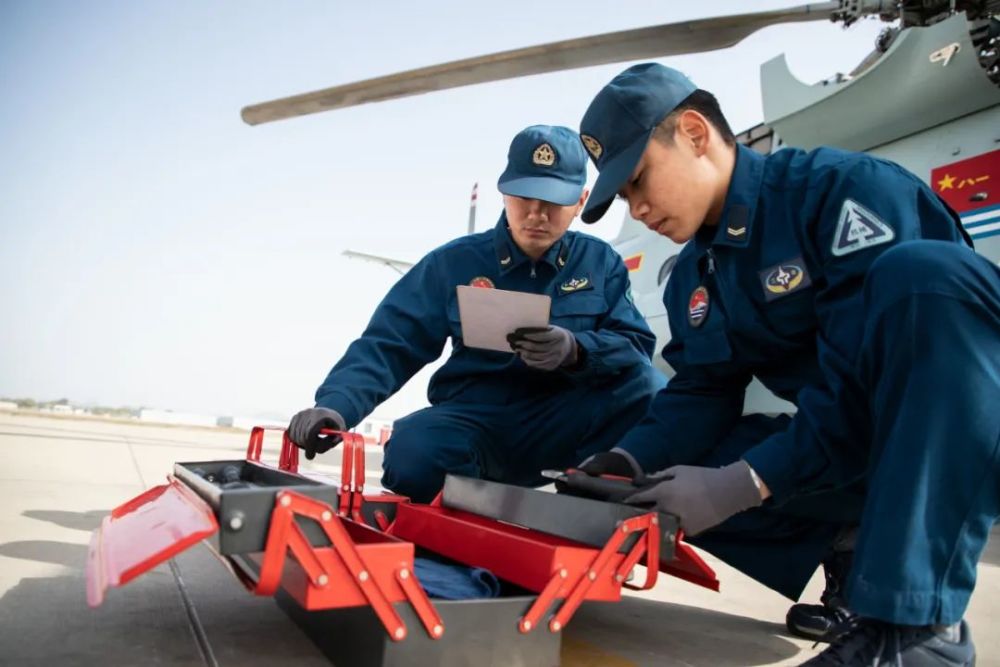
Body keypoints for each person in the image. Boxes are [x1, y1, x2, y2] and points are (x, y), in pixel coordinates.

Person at [575, 63, 999, 666]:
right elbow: (703, 389)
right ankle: (859, 563)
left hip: (964, 441)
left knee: (922, 277)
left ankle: (920, 628)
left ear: (695, 134)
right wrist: (627, 460)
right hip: (863, 452)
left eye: (640, 180)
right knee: (651, 486)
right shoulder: (695, 274)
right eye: (624, 197)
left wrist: (744, 482)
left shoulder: (845, 194)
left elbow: (871, 379)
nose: (637, 209)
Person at [288, 124, 661, 504]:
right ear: (504, 194)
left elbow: (635, 347)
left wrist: (577, 351)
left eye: (553, 201)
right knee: (412, 452)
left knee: (648, 389)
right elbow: (390, 343)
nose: (536, 213)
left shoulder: (600, 263)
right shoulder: (453, 263)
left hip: (563, 422)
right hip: (477, 420)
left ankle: (592, 504)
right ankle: (471, 532)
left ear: (580, 202)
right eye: (524, 197)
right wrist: (335, 405)